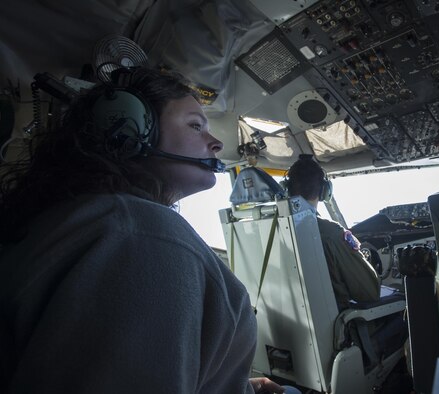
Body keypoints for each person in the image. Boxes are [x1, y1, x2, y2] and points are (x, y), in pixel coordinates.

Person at [0, 66, 286, 393]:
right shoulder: (143, 236)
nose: (217, 143)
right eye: (196, 126)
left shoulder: (89, 219)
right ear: (128, 128)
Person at [283, 155, 380, 310]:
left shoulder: (273, 230)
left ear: (286, 190)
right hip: (336, 326)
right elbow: (369, 292)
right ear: (324, 191)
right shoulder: (331, 233)